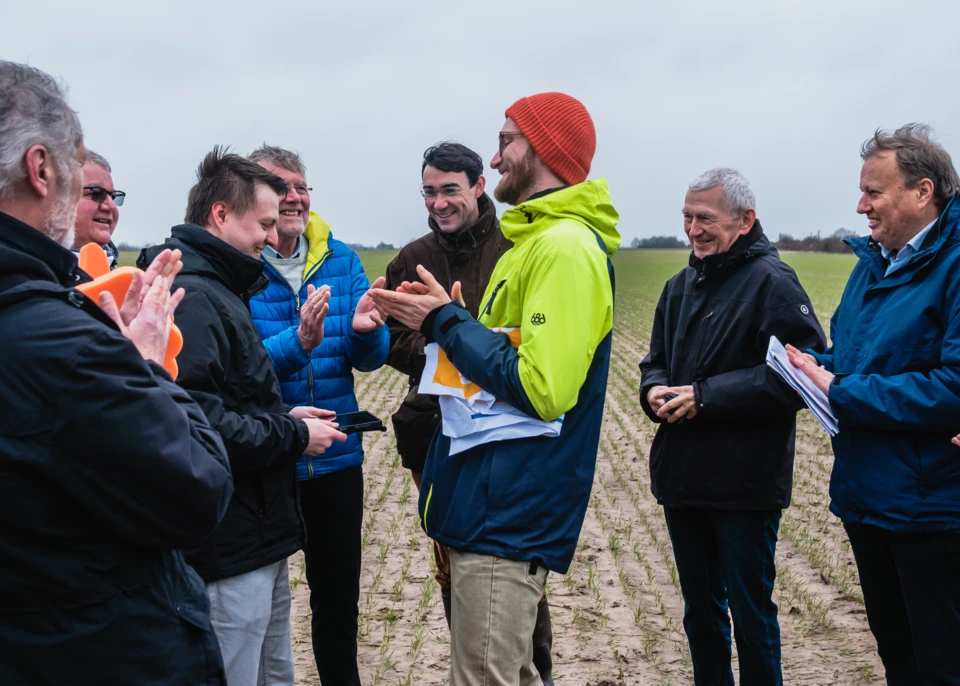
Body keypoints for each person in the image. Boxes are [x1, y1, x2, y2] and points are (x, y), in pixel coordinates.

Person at [371, 92, 619, 686]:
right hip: (487, 497)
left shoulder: (562, 249)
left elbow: (541, 388)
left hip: (505, 510)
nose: (497, 153)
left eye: (507, 140)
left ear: (542, 147)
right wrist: (446, 330)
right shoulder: (534, 241)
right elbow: (502, 357)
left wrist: (446, 323)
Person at [0, 61, 234, 685]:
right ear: (41, 168)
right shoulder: (62, 344)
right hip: (93, 649)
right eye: (81, 173)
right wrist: (146, 368)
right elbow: (196, 490)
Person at [139, 147, 348, 686]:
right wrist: (293, 433)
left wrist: (280, 411)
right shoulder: (196, 297)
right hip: (228, 539)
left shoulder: (222, 287)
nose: (270, 238)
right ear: (220, 216)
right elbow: (200, 423)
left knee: (271, 671)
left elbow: (228, 398)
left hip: (255, 531)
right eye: (262, 225)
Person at [638, 168, 826, 685]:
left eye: (705, 218)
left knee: (750, 612)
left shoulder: (774, 283)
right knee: (700, 611)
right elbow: (654, 360)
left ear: (745, 220)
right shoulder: (680, 286)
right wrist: (653, 389)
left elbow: (800, 378)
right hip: (684, 476)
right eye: (686, 217)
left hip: (746, 481)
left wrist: (707, 397)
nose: (692, 230)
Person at [788, 124, 960, 684]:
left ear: (922, 191)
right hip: (867, 495)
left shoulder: (954, 267)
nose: (860, 206)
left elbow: (953, 387)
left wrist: (842, 390)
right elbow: (862, 358)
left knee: (941, 662)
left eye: (874, 192)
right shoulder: (873, 262)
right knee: (898, 656)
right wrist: (819, 369)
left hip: (932, 506)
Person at [383, 141, 555, 681]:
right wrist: (443, 354)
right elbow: (392, 333)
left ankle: (535, 669)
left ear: (479, 187)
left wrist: (462, 346)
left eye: (450, 190)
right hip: (432, 437)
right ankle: (472, 661)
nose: (439, 202)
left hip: (512, 434)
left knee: (514, 565)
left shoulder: (517, 247)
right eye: (430, 192)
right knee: (452, 566)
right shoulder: (410, 258)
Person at [244, 144, 389, 686]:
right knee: (260, 606)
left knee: (337, 604)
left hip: (334, 457)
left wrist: (367, 332)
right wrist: (299, 338)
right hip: (268, 458)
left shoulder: (340, 258)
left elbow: (366, 358)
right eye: (283, 186)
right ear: (254, 195)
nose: (296, 197)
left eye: (303, 187)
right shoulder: (242, 265)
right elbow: (242, 364)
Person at [72, 150, 124, 268]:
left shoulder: (128, 281)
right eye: (96, 194)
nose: (111, 206)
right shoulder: (28, 275)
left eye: (113, 197)